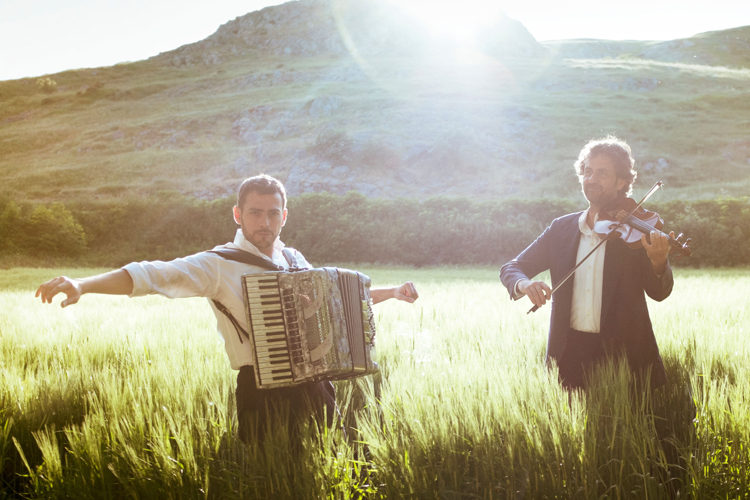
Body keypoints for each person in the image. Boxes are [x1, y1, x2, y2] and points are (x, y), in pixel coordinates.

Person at [36, 174, 418, 443]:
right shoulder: (217, 264)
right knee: (266, 482)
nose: (264, 222)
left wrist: (393, 292)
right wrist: (84, 285)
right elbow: (153, 275)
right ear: (238, 214)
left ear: (284, 216)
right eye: (255, 212)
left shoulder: (295, 258)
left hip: (316, 386)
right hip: (260, 388)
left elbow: (339, 301)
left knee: (320, 472)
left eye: (272, 213)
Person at [499, 136, 674, 390]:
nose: (591, 179)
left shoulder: (634, 232)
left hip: (625, 358)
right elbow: (512, 268)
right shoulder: (560, 228)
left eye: (602, 173)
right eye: (588, 172)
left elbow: (659, 293)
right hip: (569, 355)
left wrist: (659, 263)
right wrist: (524, 285)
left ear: (622, 181)